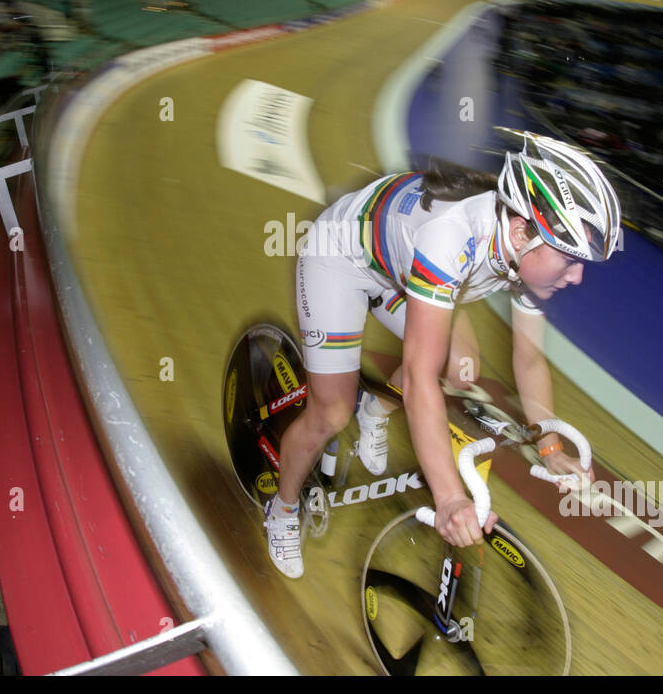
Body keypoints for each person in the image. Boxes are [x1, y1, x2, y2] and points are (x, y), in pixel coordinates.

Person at [264, 132, 621, 578]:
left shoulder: (521, 244)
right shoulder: (453, 238)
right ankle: (281, 509)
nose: (578, 276)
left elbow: (529, 360)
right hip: (341, 260)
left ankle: (375, 408)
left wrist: (548, 447)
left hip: (406, 268)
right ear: (519, 231)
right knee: (331, 413)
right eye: (570, 259)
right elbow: (417, 378)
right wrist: (450, 496)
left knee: (459, 364)